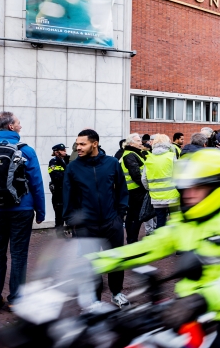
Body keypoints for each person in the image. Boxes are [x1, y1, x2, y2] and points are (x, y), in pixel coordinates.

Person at [90, 149, 220, 347]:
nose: (188, 193)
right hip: (191, 307)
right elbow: (151, 245)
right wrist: (97, 262)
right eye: (186, 187)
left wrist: (201, 299)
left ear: (217, 185)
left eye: (197, 187)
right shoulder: (189, 219)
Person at [0, 112, 45, 315]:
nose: (20, 125)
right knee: (18, 255)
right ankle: (16, 300)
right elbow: (36, 183)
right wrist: (40, 211)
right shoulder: (26, 151)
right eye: (18, 123)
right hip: (21, 209)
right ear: (10, 127)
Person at [63, 129, 130, 308]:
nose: (78, 148)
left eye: (82, 144)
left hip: (111, 222)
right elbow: (68, 196)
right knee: (90, 264)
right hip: (86, 225)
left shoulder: (112, 163)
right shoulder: (73, 167)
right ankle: (95, 299)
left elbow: (122, 189)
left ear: (95, 144)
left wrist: (120, 215)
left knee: (115, 260)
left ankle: (117, 293)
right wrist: (71, 221)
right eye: (77, 144)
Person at [143, 134, 180, 229]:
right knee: (174, 221)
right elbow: (178, 175)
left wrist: (150, 189)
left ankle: (161, 240)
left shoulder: (149, 158)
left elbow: (144, 179)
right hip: (172, 195)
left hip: (156, 196)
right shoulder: (171, 156)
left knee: (160, 221)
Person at [120, 133, 149, 244]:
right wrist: (145, 186)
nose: (140, 142)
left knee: (134, 216)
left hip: (136, 190)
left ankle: (132, 239)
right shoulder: (130, 155)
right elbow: (136, 175)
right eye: (138, 141)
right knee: (135, 217)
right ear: (131, 143)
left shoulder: (134, 154)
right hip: (135, 191)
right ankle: (132, 240)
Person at [48, 143, 69, 233]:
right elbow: (55, 176)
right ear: (56, 152)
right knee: (59, 214)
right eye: (62, 150)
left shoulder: (68, 160)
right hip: (58, 192)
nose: (65, 152)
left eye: (65, 150)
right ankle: (59, 234)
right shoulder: (54, 162)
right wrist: (68, 175)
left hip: (67, 191)